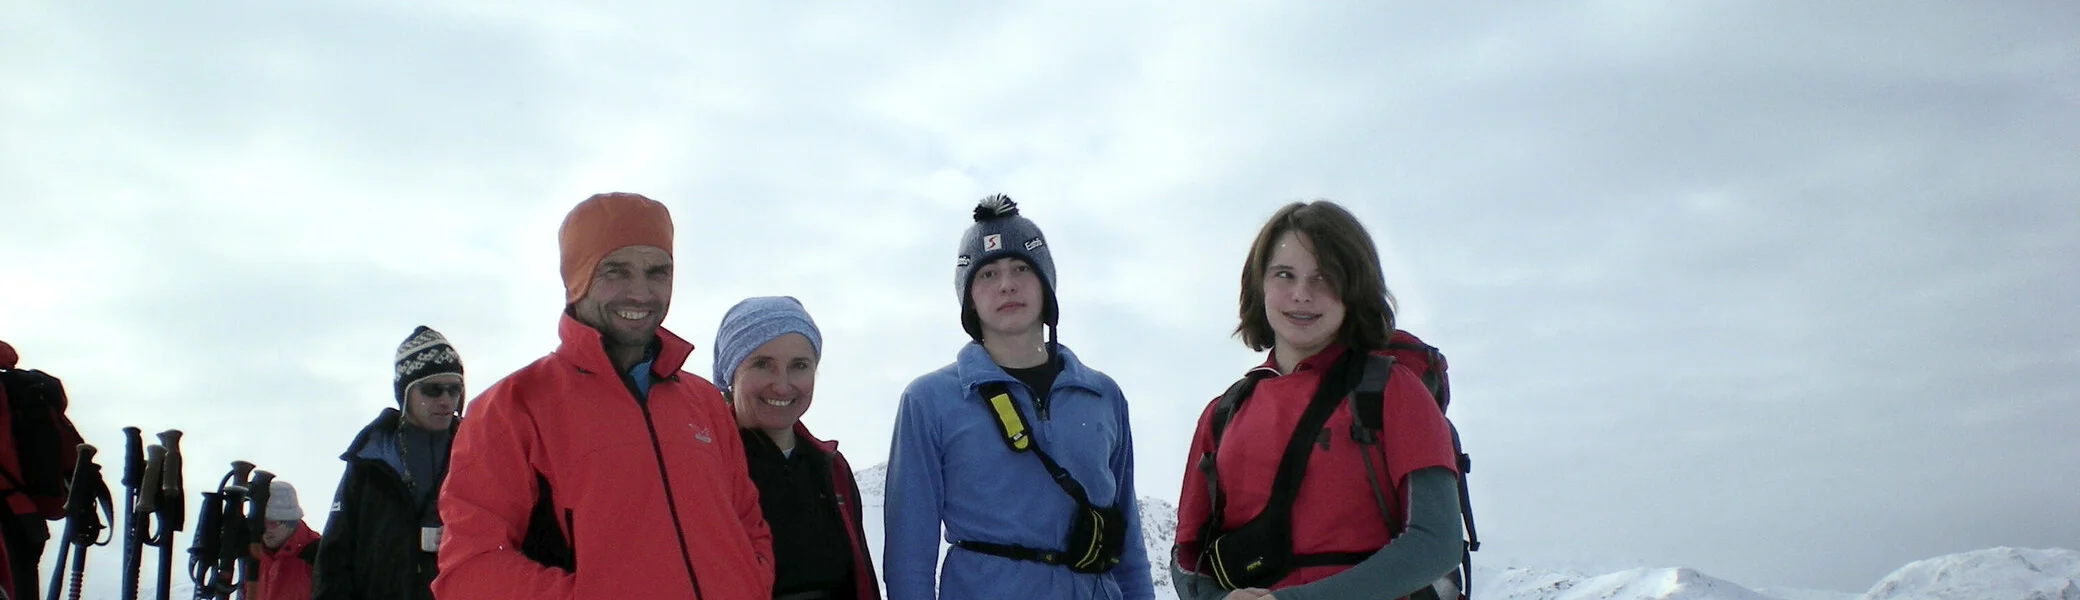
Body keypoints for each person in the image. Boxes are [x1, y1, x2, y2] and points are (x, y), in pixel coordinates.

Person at [434, 192, 773, 600]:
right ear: (577, 279)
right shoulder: (512, 407)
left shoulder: (703, 403)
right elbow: (470, 569)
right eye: (616, 271)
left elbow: (749, 525)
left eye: (657, 272)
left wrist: (748, 583)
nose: (641, 292)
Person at [1170, 200, 1464, 600]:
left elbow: (1434, 542)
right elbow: (1188, 557)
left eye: (1323, 278)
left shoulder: (1395, 390)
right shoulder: (1223, 414)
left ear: (1354, 288)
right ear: (1260, 285)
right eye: (1284, 275)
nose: (1301, 294)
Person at [883, 195, 1152, 600]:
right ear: (969, 297)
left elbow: (1127, 539)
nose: (1006, 284)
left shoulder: (1101, 395)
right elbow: (910, 554)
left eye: (1021, 268)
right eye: (987, 274)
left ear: (1046, 285)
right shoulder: (930, 401)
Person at [714, 296, 881, 600]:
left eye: (799, 365)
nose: (782, 385)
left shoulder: (830, 467)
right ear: (731, 372)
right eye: (763, 364)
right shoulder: (707, 464)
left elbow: (859, 579)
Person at [313, 325, 465, 600]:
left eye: (454, 390)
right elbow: (334, 562)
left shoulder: (479, 457)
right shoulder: (369, 463)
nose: (446, 400)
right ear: (405, 393)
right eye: (433, 390)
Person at [252, 479, 321, 600]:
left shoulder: (318, 556)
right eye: (260, 523)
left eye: (273, 523)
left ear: (291, 522)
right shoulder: (254, 555)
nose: (265, 530)